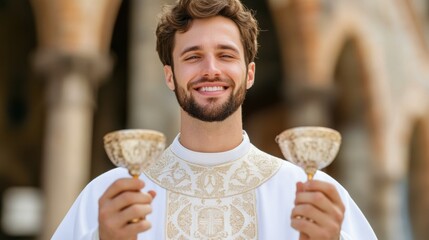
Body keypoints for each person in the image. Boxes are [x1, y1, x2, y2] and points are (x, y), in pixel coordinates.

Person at [52, 0, 377, 239]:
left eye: (226, 55)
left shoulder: (313, 195)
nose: (211, 69)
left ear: (249, 74)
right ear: (170, 75)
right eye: (193, 56)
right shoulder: (109, 198)